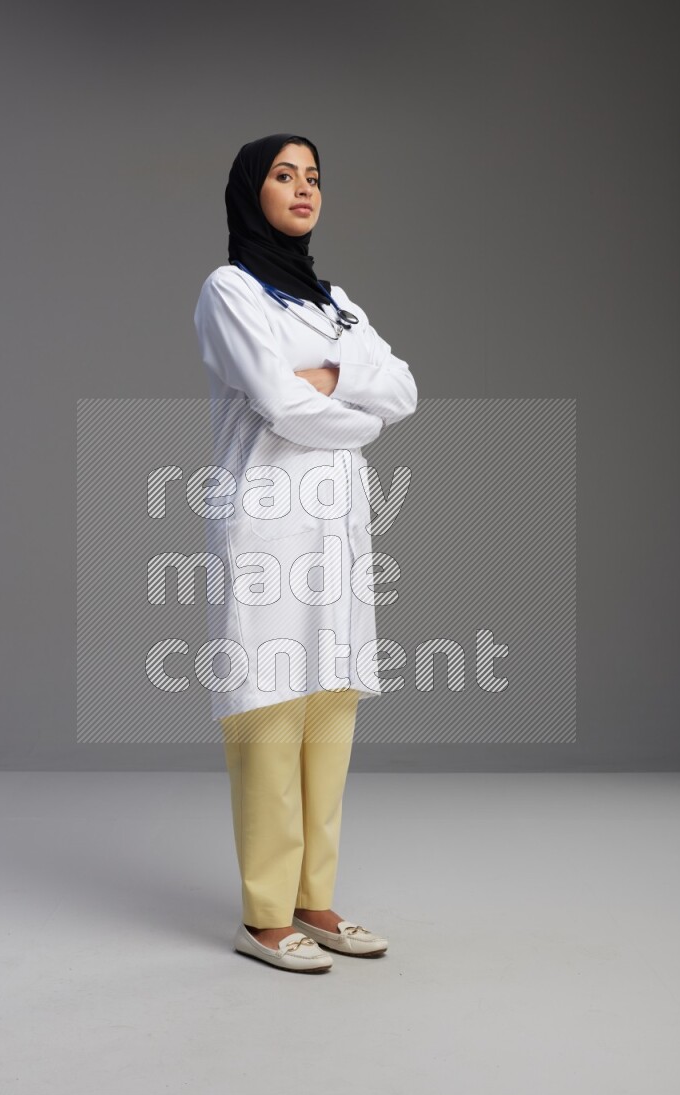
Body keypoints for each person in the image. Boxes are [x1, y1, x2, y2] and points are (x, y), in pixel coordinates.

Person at [194, 133, 417, 972]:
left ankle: (314, 899)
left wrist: (334, 379)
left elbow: (404, 385)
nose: (302, 188)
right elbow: (283, 404)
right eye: (284, 176)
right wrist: (353, 403)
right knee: (267, 707)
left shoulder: (333, 300)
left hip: (337, 527)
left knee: (332, 706)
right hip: (266, 525)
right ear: (252, 191)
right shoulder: (229, 289)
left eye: (313, 176)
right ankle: (263, 914)